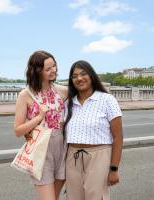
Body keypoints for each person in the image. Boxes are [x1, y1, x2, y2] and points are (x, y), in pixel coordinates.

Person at [64, 60, 123, 200]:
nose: (79, 78)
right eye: (74, 76)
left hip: (99, 157)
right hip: (72, 157)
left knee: (96, 197)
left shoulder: (107, 100)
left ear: (91, 76)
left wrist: (114, 169)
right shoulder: (69, 103)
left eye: (83, 74)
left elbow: (118, 137)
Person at [14, 50, 68, 200]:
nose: (54, 71)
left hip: (62, 150)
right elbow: (18, 131)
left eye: (55, 66)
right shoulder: (26, 95)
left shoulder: (62, 91)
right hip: (41, 152)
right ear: (37, 71)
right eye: (48, 69)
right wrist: (39, 117)